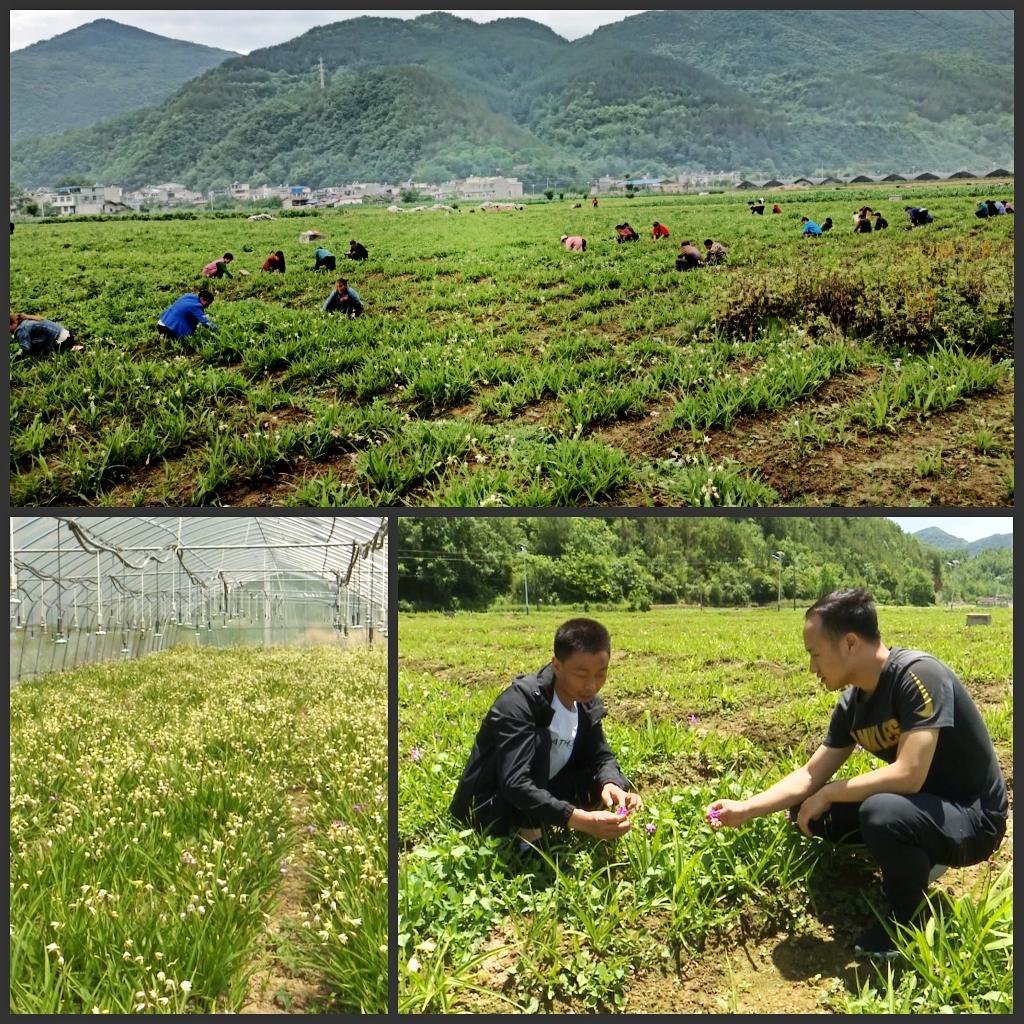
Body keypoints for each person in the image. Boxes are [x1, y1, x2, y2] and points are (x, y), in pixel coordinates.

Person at [706, 589, 1007, 960]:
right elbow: (809, 775)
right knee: (807, 809)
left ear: (850, 643)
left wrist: (832, 791)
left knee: (880, 813)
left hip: (974, 818)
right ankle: (913, 861)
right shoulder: (852, 705)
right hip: (923, 808)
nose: (812, 668)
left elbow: (909, 774)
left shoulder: (919, 675)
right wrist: (746, 808)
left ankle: (904, 920)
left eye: (815, 655)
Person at [450, 618, 641, 845]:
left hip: (541, 786)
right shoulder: (520, 702)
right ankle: (528, 838)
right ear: (556, 666)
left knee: (603, 775)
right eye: (581, 674)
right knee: (540, 741)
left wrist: (611, 784)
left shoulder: (585, 702)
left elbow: (602, 754)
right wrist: (580, 820)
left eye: (600, 674)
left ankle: (585, 814)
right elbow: (515, 782)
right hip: (489, 808)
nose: (591, 685)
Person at [10, 312, 82, 361]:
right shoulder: (26, 321)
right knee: (34, 345)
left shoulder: (21, 329)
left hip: (62, 342)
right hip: (68, 337)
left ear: (12, 324)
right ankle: (72, 347)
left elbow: (25, 348)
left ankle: (68, 349)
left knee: (34, 352)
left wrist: (12, 358)